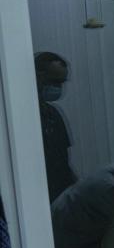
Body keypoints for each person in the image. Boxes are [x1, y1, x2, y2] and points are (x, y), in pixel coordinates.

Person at [34, 52, 76, 202]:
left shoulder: (53, 114)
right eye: (53, 81)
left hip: (59, 192)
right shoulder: (22, 119)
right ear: (37, 75)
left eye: (61, 82)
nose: (58, 87)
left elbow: (62, 160)